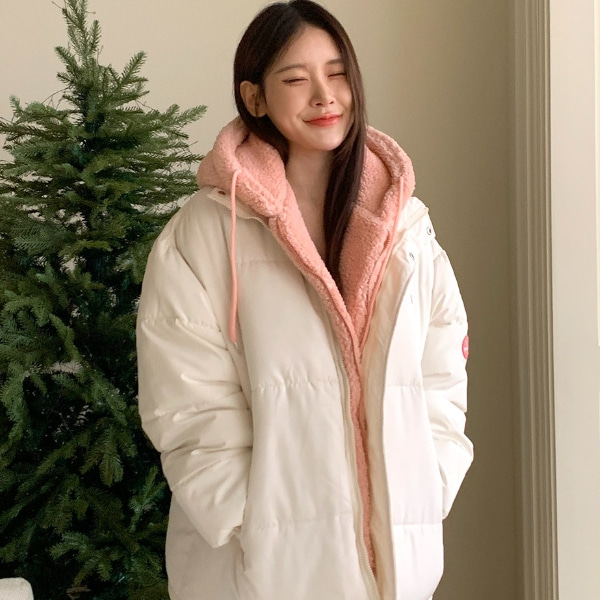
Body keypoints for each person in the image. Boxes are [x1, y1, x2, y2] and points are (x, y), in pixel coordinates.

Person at [136, 1, 473, 599]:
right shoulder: (204, 234)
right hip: (255, 572)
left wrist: (430, 480)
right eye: (296, 79)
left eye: (337, 73)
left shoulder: (405, 229)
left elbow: (442, 371)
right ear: (255, 97)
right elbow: (184, 400)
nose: (324, 95)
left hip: (394, 566)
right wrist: (250, 520)